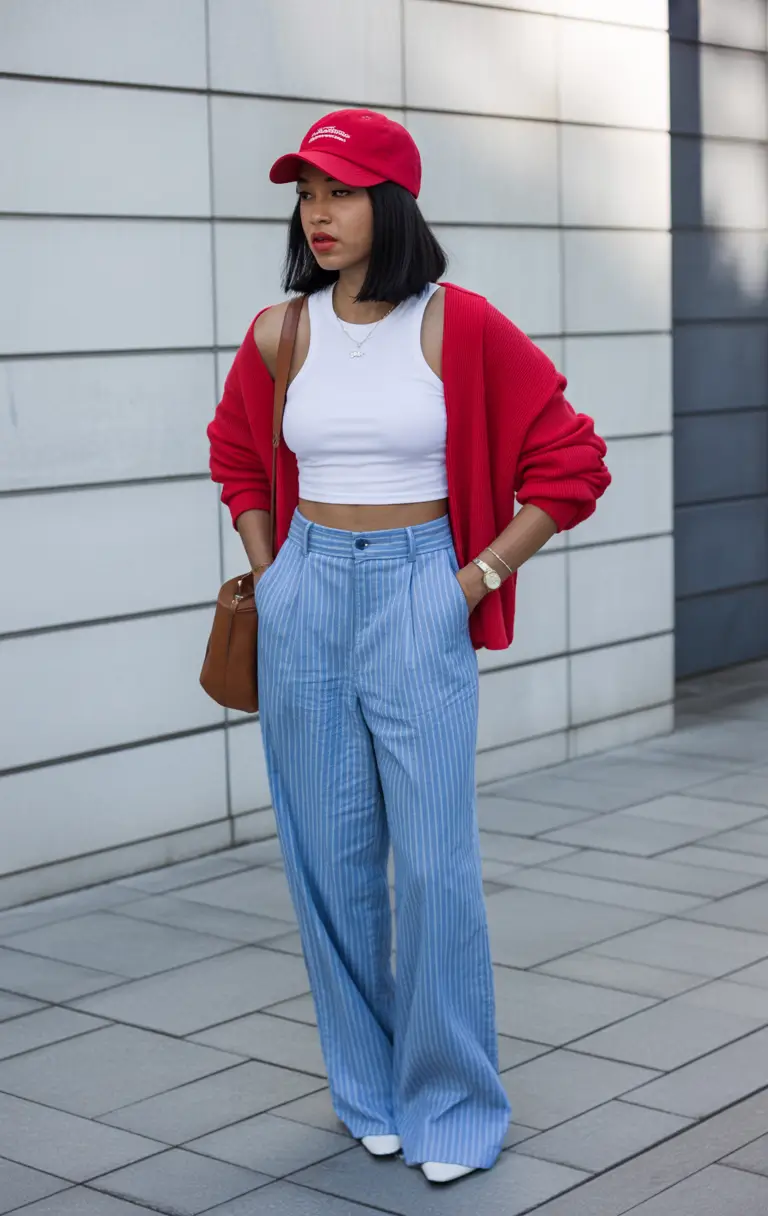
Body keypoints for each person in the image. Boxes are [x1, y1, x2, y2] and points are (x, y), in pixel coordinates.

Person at [207, 108, 610, 1184]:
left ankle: (455, 1105)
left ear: (391, 203)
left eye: (339, 191)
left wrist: (472, 580)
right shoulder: (281, 331)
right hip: (305, 594)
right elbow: (237, 454)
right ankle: (368, 1091)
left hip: (419, 589)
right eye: (306, 194)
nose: (318, 213)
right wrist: (272, 569)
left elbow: (573, 465)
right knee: (329, 862)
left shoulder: (458, 324)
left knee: (433, 865)